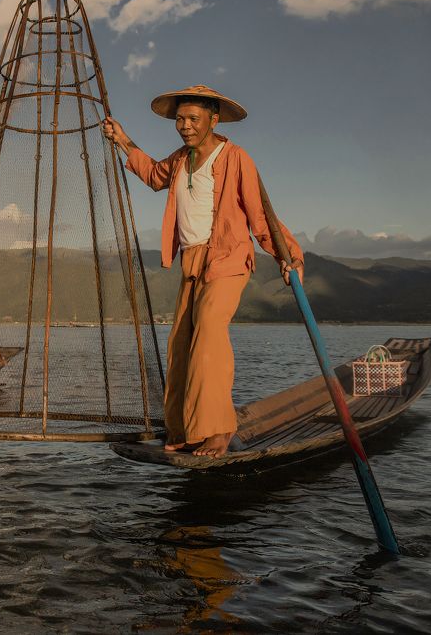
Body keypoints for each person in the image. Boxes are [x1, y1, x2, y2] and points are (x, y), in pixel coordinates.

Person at [102, 85, 304, 458]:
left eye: (193, 119)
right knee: (180, 343)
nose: (185, 126)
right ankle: (186, 430)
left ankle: (218, 430)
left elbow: (261, 216)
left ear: (213, 119)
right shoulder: (180, 159)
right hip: (192, 262)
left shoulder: (234, 157)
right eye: (180, 119)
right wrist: (123, 139)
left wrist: (288, 256)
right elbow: (154, 175)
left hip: (227, 259)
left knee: (209, 334)